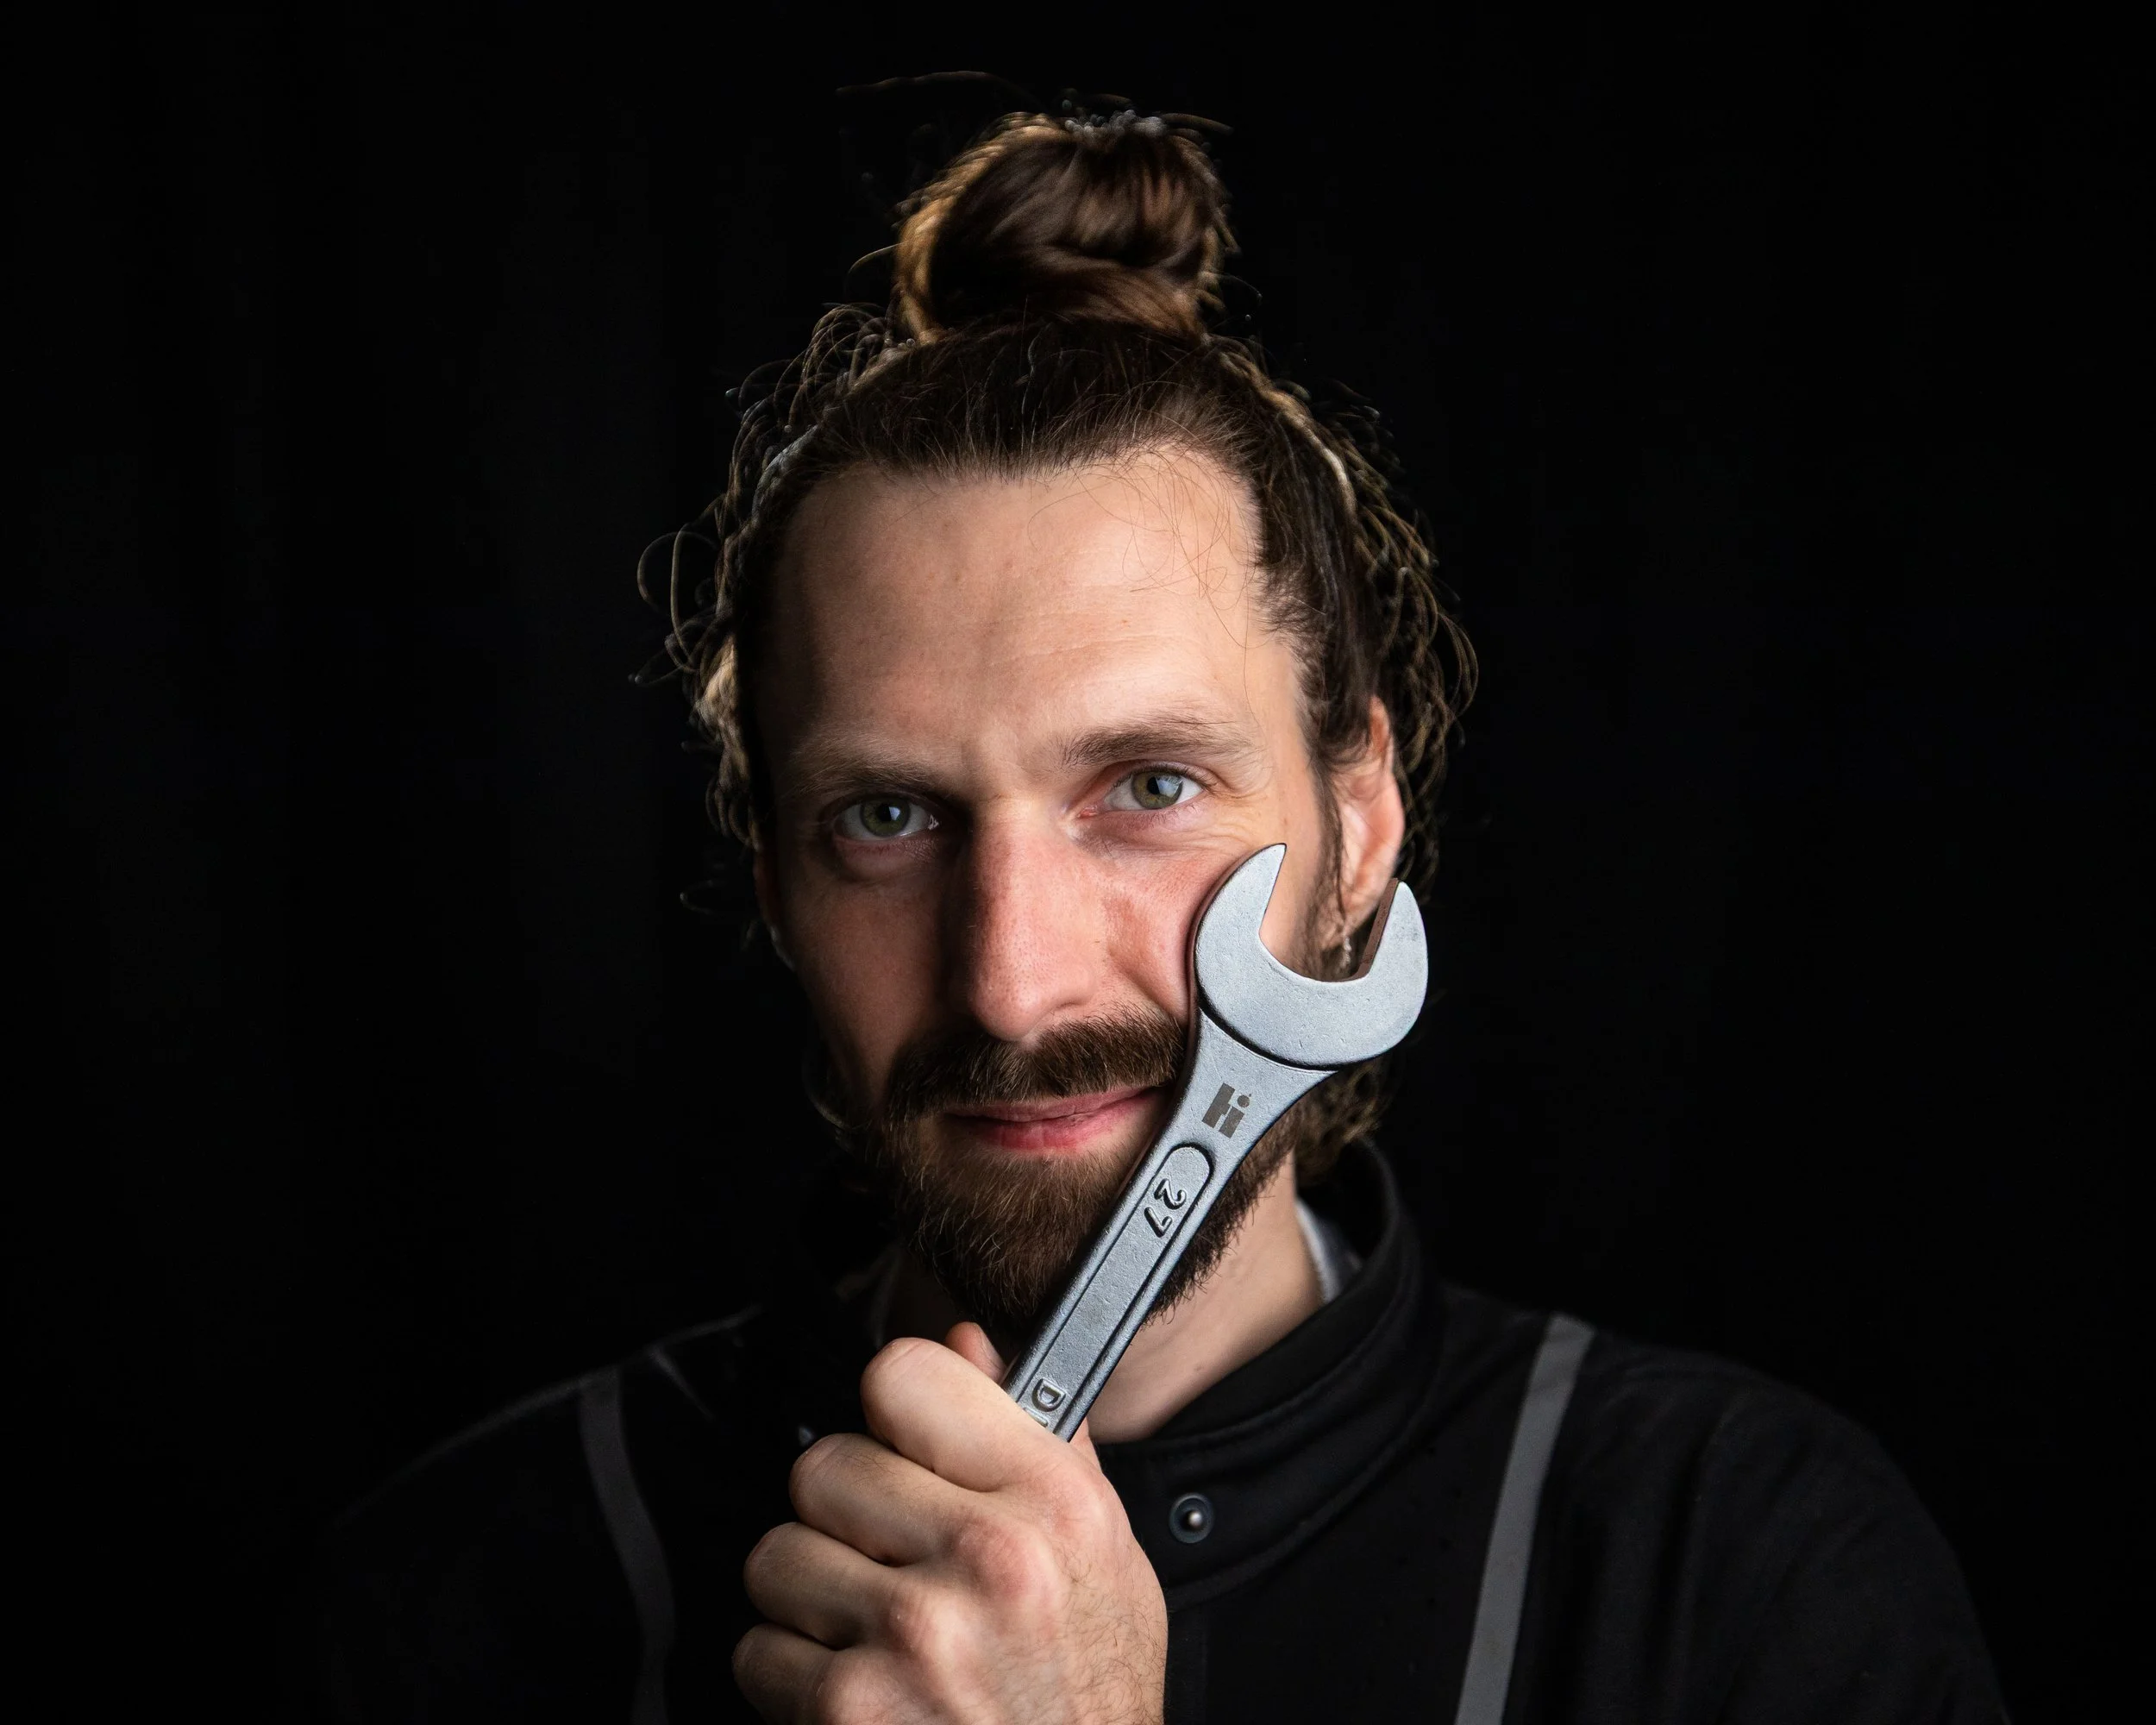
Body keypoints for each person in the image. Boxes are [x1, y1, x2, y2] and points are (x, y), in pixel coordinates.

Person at [318, 110, 2005, 1723]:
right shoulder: (453, 1607)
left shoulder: (1744, 1581)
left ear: (1357, 826)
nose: (1012, 982)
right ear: (774, 881)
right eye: (889, 818)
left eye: (1146, 786)